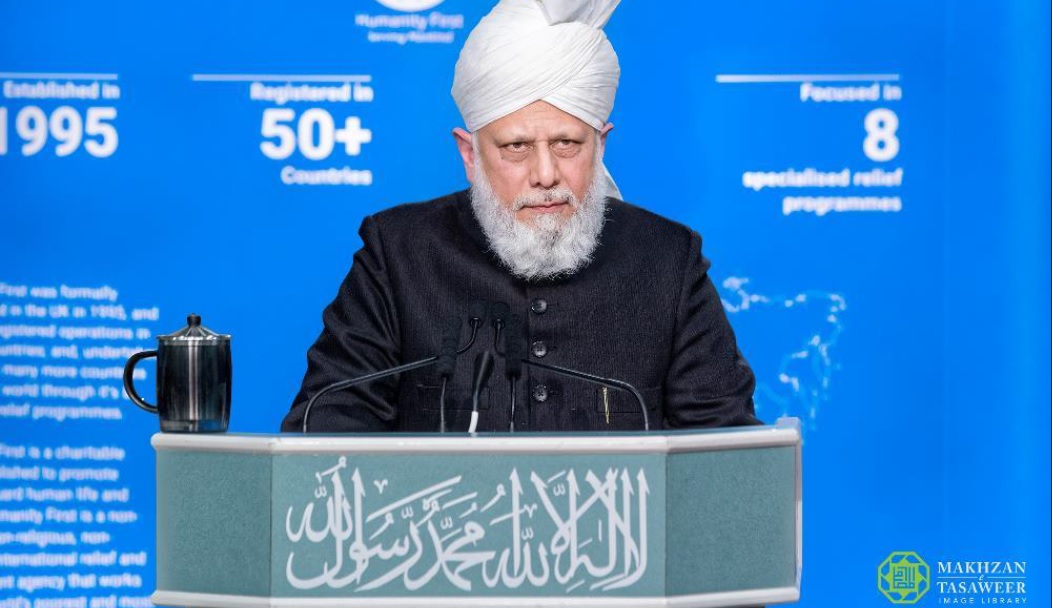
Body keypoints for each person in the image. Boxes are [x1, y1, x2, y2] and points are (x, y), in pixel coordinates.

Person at [280, 0, 758, 433]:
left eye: (566, 144)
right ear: (470, 155)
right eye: (516, 147)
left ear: (600, 145)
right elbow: (326, 430)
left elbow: (726, 456)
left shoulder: (669, 262)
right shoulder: (397, 255)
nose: (545, 175)